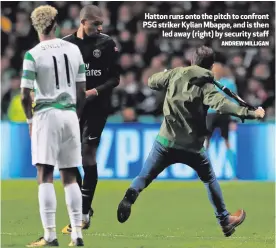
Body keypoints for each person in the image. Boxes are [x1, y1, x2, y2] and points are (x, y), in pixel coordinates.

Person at [117, 46, 265, 237]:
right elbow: (223, 105)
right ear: (211, 65)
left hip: (165, 141)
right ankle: (225, 220)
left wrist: (165, 74)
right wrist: (252, 113)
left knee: (145, 176)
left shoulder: (176, 74)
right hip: (192, 147)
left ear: (193, 60)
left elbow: (152, 81)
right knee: (209, 179)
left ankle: (132, 193)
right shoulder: (207, 85)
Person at [21, 5, 86, 247]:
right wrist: (74, 116)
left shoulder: (33, 54)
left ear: (35, 26)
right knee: (69, 176)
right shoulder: (73, 49)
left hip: (46, 115)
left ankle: (50, 235)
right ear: (55, 24)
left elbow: (24, 94)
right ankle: (77, 234)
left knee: (45, 174)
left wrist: (30, 120)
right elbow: (81, 91)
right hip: (69, 114)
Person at [62, 5, 120, 234]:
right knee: (66, 158)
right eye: (96, 24)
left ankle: (83, 213)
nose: (100, 27)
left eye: (101, 24)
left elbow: (115, 78)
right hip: (72, 107)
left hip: (97, 107)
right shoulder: (66, 44)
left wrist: (93, 92)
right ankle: (86, 208)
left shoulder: (106, 44)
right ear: (83, 22)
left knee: (88, 153)